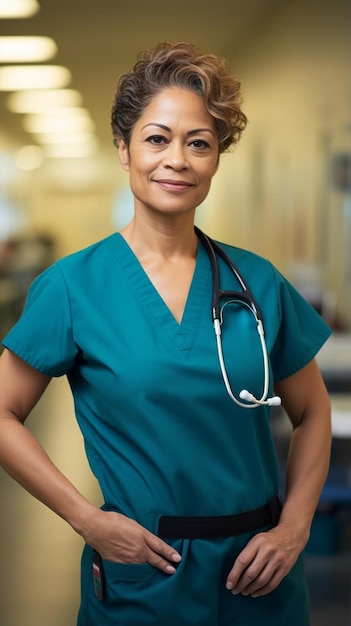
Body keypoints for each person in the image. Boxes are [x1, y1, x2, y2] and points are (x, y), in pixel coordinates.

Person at [0, 42, 332, 626]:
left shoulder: (257, 282)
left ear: (216, 160)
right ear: (124, 150)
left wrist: (294, 529)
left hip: (261, 571)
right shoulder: (74, 286)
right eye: (157, 138)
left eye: (198, 142)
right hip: (145, 573)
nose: (176, 159)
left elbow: (313, 412)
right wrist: (87, 520)